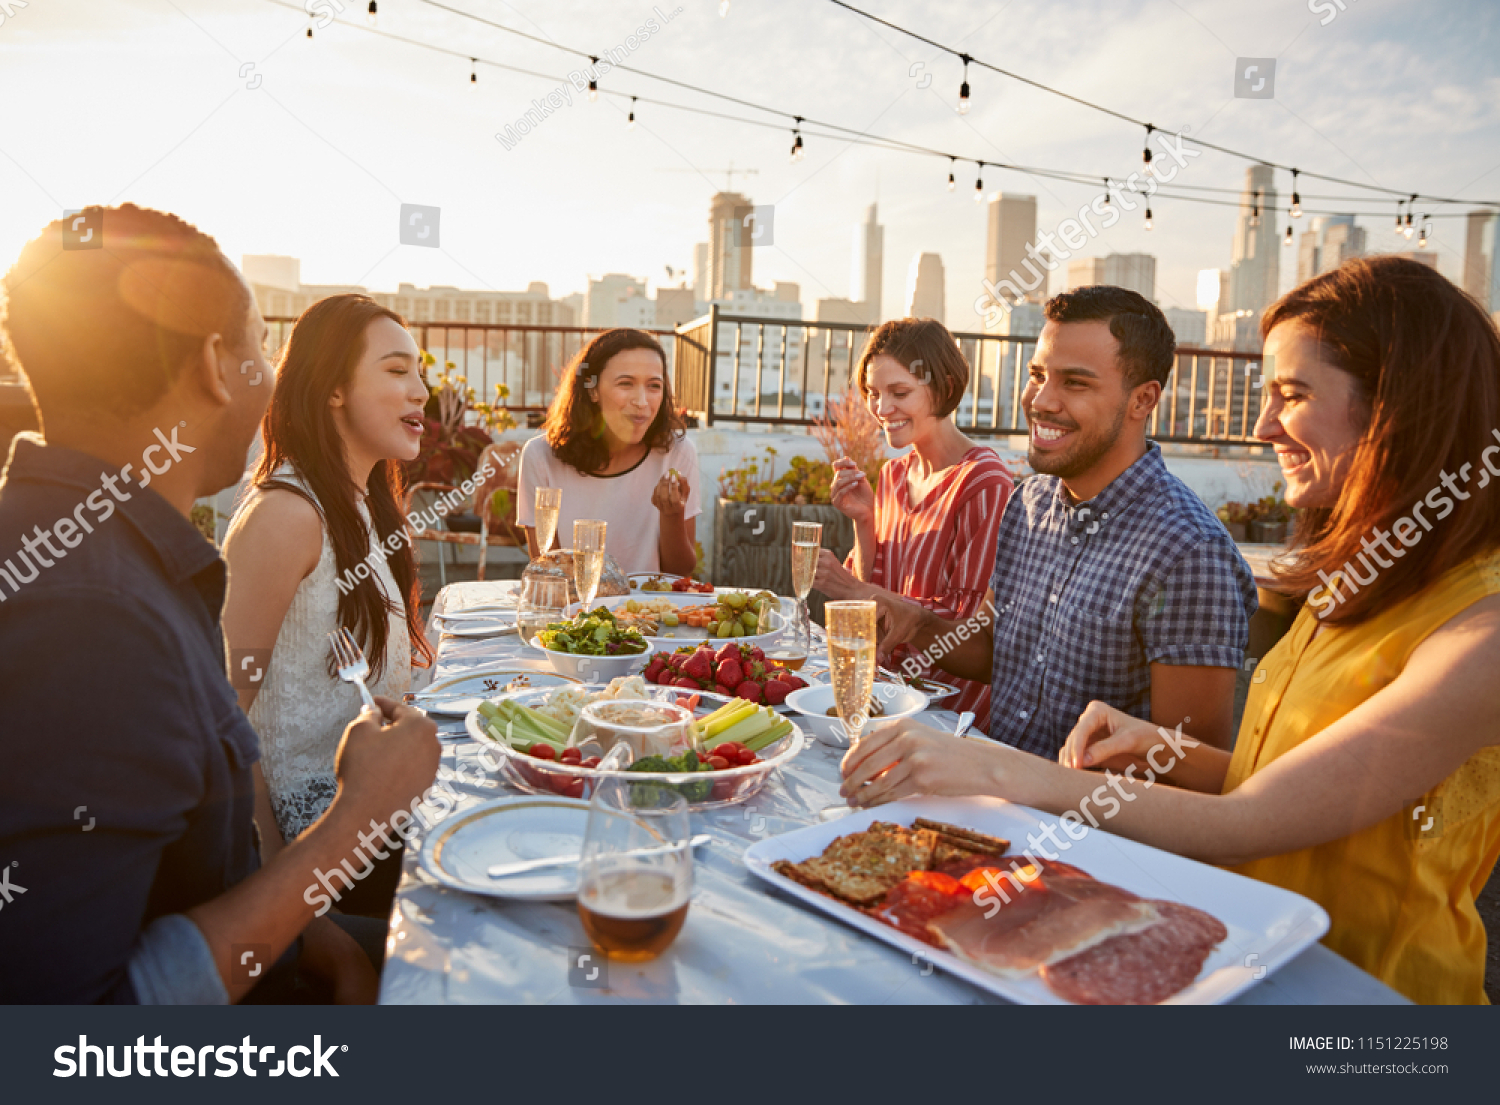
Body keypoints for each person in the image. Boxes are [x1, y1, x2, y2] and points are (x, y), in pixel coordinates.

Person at [840, 257, 1500, 1004]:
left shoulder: (1480, 632)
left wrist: (992, 769)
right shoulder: (1354, 586)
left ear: (1399, 407)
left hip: (1366, 995)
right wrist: (1161, 748)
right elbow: (1285, 777)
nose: (1262, 425)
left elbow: (1254, 819)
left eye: (1294, 393)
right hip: (1235, 953)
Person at [0, 205, 438, 1003]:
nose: (270, 377)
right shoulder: (91, 612)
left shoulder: (96, 551)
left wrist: (315, 922)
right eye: (262, 349)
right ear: (216, 365)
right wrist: (356, 822)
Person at [875, 287, 1257, 757]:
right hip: (991, 791)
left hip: (1087, 826)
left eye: (1075, 382)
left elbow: (1187, 764)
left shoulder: (1189, 553)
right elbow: (993, 647)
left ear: (1143, 400)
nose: (1042, 401)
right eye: (1038, 374)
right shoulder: (1028, 503)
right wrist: (917, 623)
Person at [222, 294, 436, 919]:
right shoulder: (285, 516)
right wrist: (297, 924)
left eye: (419, 372)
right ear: (333, 390)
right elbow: (222, 729)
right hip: (317, 842)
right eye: (397, 371)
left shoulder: (361, 504)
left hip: (372, 805)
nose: (421, 390)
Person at [813, 318, 1012, 730]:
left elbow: (966, 629)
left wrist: (852, 589)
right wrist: (864, 524)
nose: (882, 410)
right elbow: (875, 597)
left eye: (899, 393)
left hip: (951, 716)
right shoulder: (893, 475)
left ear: (944, 385)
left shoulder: (985, 483)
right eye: (873, 393)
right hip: (891, 695)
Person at [516, 328, 699, 575]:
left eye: (654, 386)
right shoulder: (540, 456)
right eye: (626, 384)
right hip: (577, 609)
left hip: (651, 609)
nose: (642, 401)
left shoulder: (678, 452)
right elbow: (549, 571)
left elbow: (680, 572)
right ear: (592, 389)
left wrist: (672, 515)